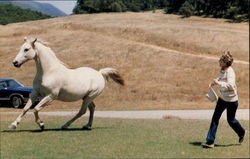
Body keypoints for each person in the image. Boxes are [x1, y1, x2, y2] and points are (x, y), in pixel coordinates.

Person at [202, 51, 246, 148]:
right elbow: (221, 78)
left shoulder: (230, 72)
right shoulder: (222, 70)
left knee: (231, 120)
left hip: (232, 101)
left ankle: (241, 132)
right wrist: (214, 82)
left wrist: (218, 83)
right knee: (215, 119)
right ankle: (210, 142)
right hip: (222, 99)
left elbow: (230, 85)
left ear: (225, 62)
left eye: (221, 60)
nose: (219, 61)